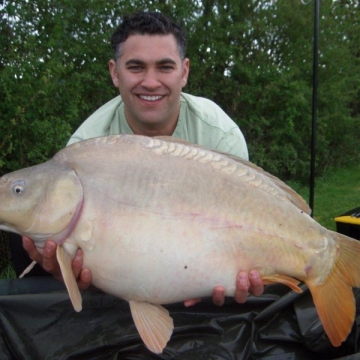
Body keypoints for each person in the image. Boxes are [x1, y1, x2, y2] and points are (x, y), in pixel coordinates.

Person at [17, 10, 263, 307]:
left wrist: (249, 271)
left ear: (184, 72)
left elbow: (251, 221)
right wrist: (65, 268)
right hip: (123, 292)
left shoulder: (220, 134)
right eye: (136, 67)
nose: (150, 82)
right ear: (114, 72)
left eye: (164, 67)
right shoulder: (85, 147)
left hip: (211, 285)